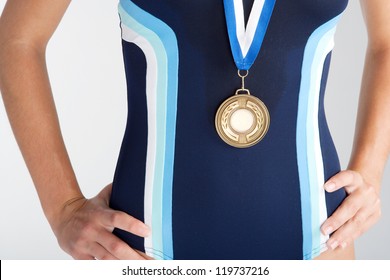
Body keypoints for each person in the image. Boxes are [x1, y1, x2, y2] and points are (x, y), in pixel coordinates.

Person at [0, 0, 388, 260]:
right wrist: (62, 208)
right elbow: (18, 39)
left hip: (320, 242)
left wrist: (369, 173)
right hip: (145, 252)